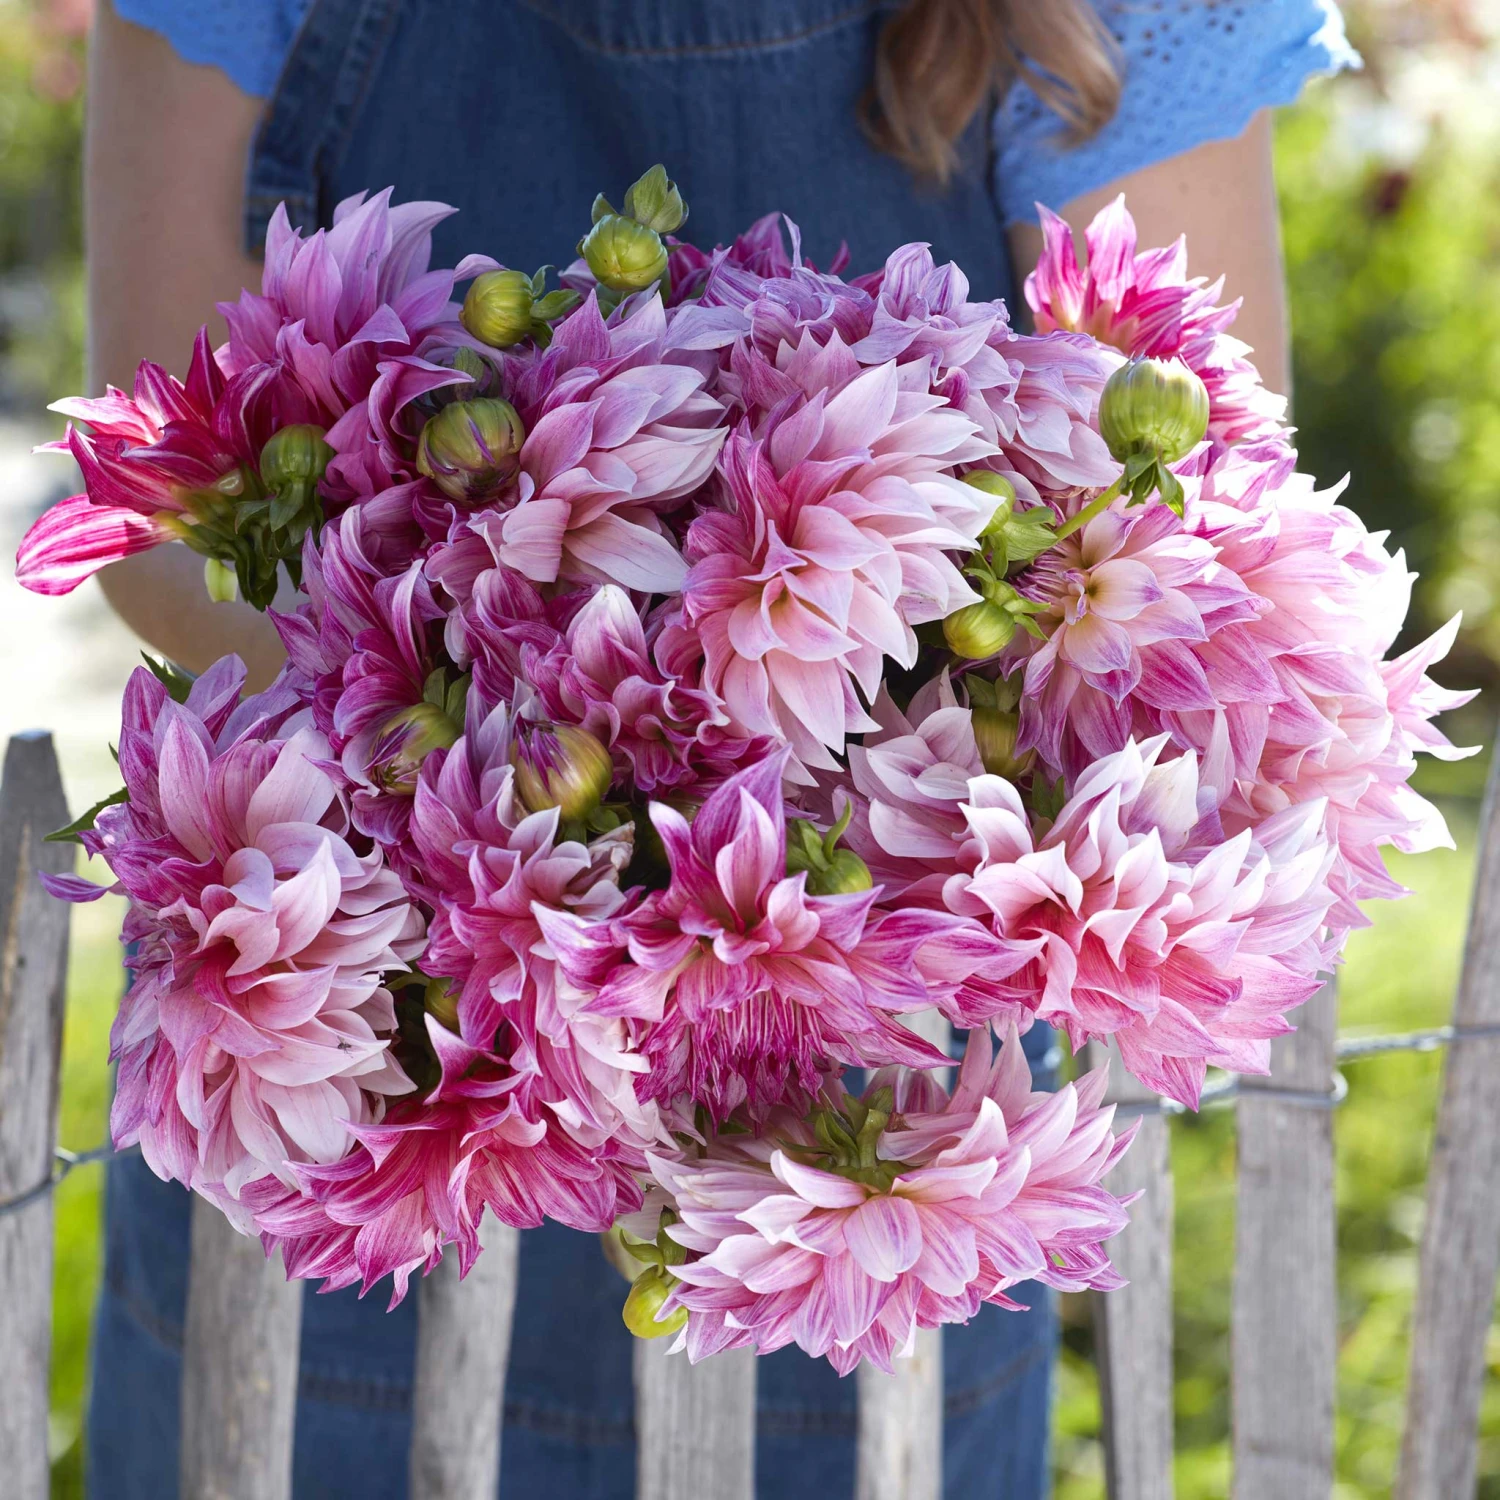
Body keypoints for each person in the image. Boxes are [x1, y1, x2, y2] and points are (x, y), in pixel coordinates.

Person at [81, 2, 1355, 1495]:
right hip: (349, 1105)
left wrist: (670, 771)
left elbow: (1189, 534)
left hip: (855, 1195)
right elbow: (160, 514)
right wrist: (511, 720)